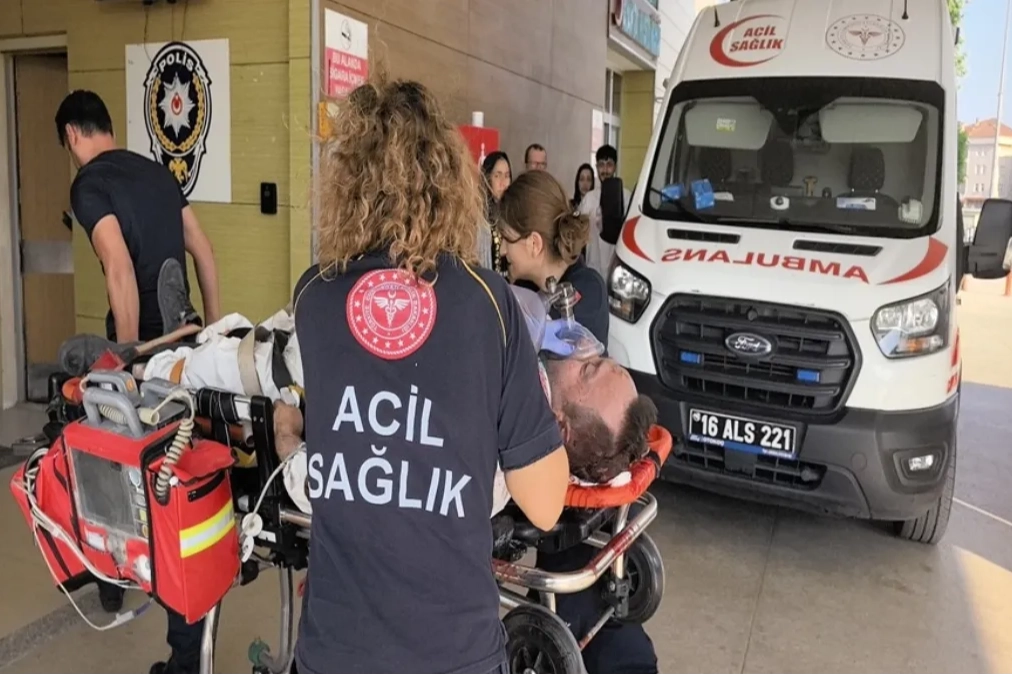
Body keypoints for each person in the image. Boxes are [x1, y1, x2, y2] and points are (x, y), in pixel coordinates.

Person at [284, 76, 570, 675]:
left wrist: (290, 438)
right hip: (453, 652)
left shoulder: (314, 296)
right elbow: (545, 506)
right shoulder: (490, 305)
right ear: (450, 184)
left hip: (336, 651)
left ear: (347, 185)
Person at [55, 89, 221, 675]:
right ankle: (186, 649)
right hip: (187, 348)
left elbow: (119, 267)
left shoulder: (89, 184)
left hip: (144, 356)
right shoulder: (157, 172)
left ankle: (113, 579)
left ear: (72, 135)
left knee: (121, 484)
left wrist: (124, 364)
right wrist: (214, 331)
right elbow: (203, 251)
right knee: (179, 489)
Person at [498, 169, 660, 675]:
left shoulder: (575, 293)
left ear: (533, 242)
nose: (585, 349)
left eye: (593, 365)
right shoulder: (531, 297)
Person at [498, 170, 609, 344]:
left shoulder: (589, 291)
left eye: (507, 239)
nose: (502, 251)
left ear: (534, 244)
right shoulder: (522, 288)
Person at [579, 144, 632, 278]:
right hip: (593, 267)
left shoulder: (626, 197)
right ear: (596, 167)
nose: (605, 170)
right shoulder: (589, 198)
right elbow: (579, 230)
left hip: (617, 269)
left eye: (609, 165)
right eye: (601, 165)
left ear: (615, 167)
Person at [481, 150, 512, 276]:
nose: (503, 182)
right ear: (487, 178)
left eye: (507, 176)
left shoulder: (514, 211)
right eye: (497, 176)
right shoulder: (480, 215)